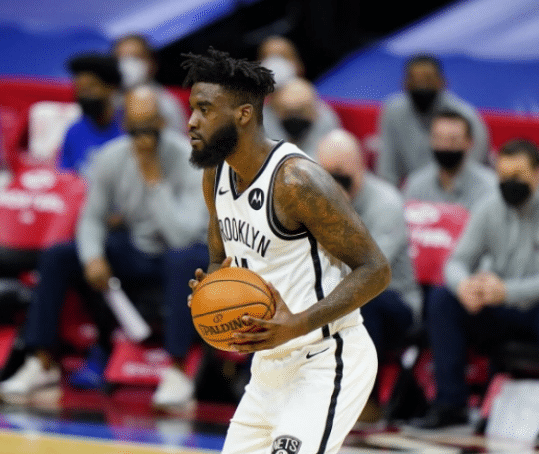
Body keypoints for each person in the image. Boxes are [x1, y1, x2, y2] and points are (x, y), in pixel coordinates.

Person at [183, 48, 390, 454]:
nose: (191, 121)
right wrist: (212, 289)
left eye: (204, 109)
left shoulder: (297, 181)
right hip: (268, 367)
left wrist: (297, 324)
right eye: (193, 109)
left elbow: (376, 270)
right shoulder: (216, 174)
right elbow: (220, 257)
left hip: (326, 358)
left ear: (243, 114)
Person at [0, 85, 209, 408]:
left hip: (179, 253)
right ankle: (41, 362)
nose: (143, 138)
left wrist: (154, 181)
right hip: (135, 250)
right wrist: (93, 257)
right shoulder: (111, 157)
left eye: (150, 127)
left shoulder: (193, 159)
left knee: (184, 259)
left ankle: (178, 371)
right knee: (58, 256)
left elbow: (183, 235)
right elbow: (91, 218)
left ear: (163, 123)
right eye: (136, 128)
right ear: (125, 125)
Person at [420, 139, 539, 447]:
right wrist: (465, 286)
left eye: (518, 175)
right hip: (504, 306)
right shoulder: (490, 205)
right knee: (444, 298)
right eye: (504, 175)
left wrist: (506, 291)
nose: (510, 183)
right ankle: (450, 405)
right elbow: (456, 261)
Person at [317, 129, 422, 367]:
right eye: (326, 172)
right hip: (333, 291)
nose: (333, 180)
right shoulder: (311, 198)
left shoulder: (387, 203)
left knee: (361, 299)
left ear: (361, 166)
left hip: (393, 298)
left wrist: (339, 214)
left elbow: (367, 269)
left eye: (340, 172)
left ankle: (363, 387)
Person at [377, 54, 489, 186]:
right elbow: (387, 168)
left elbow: (474, 167)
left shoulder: (465, 115)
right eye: (415, 81)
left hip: (459, 188)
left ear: (443, 82)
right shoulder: (392, 111)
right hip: (412, 190)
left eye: (428, 80)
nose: (421, 86)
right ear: (404, 83)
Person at [403, 109, 496, 211]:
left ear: (469, 142)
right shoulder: (416, 185)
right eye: (439, 139)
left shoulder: (488, 187)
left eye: (453, 140)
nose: (445, 146)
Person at [59, 52, 124, 175]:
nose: (84, 96)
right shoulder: (74, 131)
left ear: (111, 88)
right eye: (80, 90)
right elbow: (65, 175)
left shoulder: (128, 127)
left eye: (91, 88)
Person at [112, 34, 187, 133]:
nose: (128, 64)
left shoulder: (176, 100)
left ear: (152, 62)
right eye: (121, 59)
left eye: (136, 57)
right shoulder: (109, 105)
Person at [263, 77, 341, 158]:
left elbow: (325, 156)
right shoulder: (263, 120)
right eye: (288, 112)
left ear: (313, 110)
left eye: (301, 111)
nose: (295, 117)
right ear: (275, 109)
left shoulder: (325, 117)